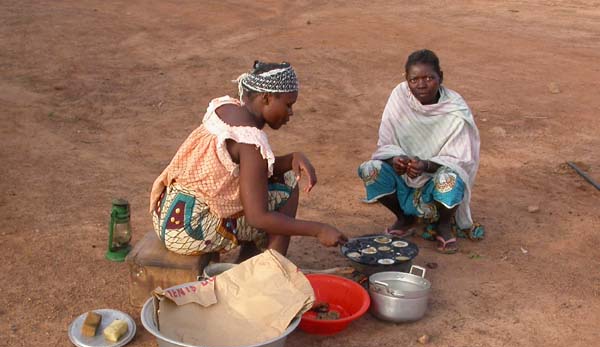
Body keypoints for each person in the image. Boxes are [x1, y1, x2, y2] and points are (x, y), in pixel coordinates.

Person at [149, 61, 347, 261]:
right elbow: (258, 218)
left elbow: (254, 172)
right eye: (288, 105)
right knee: (285, 191)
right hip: (189, 230)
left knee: (276, 183)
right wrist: (319, 229)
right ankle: (269, 273)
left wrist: (292, 158)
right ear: (267, 98)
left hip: (168, 214)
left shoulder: (226, 109)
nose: (291, 113)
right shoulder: (251, 141)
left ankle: (247, 263)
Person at [357, 49, 483, 254]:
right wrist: (396, 160)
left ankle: (443, 224)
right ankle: (405, 218)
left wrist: (425, 165)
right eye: (414, 79)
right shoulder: (399, 96)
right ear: (406, 80)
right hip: (402, 176)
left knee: (451, 178)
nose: (422, 84)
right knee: (371, 169)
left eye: (429, 78)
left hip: (435, 179)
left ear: (440, 77)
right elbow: (386, 143)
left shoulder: (455, 109)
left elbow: (460, 160)